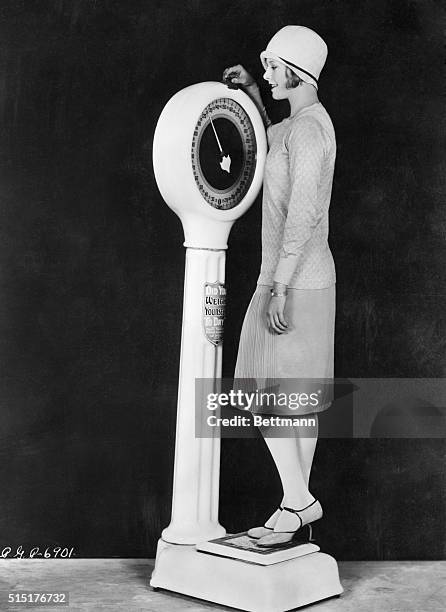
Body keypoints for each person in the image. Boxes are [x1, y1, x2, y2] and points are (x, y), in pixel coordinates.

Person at [223, 25, 336, 548]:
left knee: (267, 400)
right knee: (295, 406)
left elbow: (305, 213)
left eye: (272, 68)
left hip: (295, 284)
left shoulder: (312, 130)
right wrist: (249, 93)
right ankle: (295, 506)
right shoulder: (296, 126)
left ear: (297, 70)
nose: (266, 74)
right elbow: (275, 146)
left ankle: (299, 500)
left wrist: (281, 286)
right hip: (293, 280)